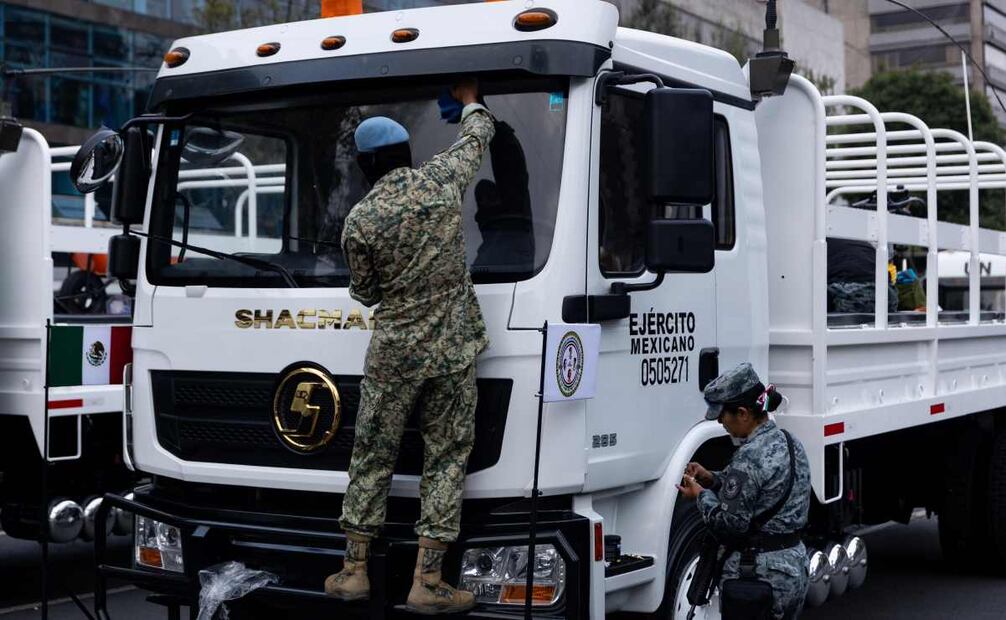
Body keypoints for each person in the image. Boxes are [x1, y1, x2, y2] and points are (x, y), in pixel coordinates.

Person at [324, 80, 495, 614]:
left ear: (367, 167)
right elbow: (477, 137)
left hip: (393, 354)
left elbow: (366, 292)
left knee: (372, 454)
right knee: (445, 458)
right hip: (451, 348)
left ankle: (354, 571)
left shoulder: (359, 221)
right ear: (406, 155)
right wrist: (470, 101)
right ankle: (429, 580)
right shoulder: (441, 182)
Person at [677, 363, 812, 619]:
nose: (719, 422)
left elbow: (730, 524)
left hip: (758, 577)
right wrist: (712, 479)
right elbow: (761, 491)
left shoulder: (748, 458)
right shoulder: (790, 442)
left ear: (742, 413)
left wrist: (699, 495)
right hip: (794, 567)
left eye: (721, 415)